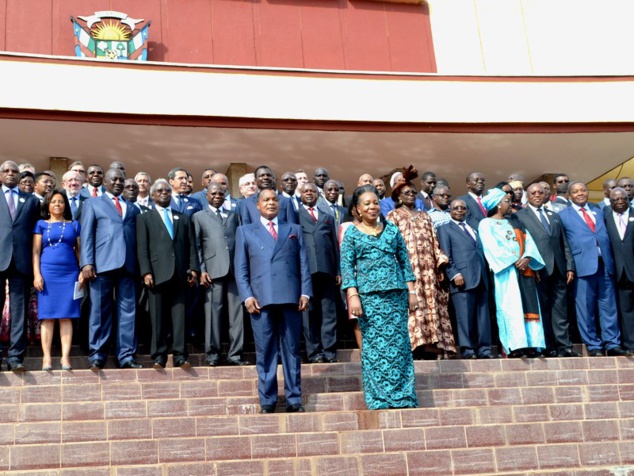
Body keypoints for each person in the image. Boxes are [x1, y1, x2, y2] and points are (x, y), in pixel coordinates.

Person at [341, 185, 418, 410]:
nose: (373, 207)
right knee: (375, 349)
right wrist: (353, 296)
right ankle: (379, 398)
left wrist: (412, 292)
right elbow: (346, 267)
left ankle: (403, 396)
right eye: (367, 204)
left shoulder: (392, 230)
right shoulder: (352, 234)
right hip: (369, 299)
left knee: (400, 346)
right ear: (357, 209)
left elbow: (405, 262)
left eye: (375, 202)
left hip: (396, 297)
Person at [235, 189, 312, 413]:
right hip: (261, 300)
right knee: (266, 351)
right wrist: (247, 295)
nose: (271, 203)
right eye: (266, 200)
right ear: (257, 206)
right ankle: (267, 400)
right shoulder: (245, 231)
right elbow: (241, 269)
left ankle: (293, 398)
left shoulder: (293, 229)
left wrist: (305, 292)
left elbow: (303, 264)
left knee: (291, 351)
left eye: (274, 200)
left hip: (290, 298)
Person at [386, 167, 455, 357]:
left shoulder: (425, 216)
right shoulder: (393, 216)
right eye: (406, 193)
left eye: (413, 193)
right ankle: (413, 344)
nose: (411, 195)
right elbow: (390, 244)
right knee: (412, 306)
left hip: (428, 270)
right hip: (407, 270)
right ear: (399, 196)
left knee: (431, 304)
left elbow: (434, 241)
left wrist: (439, 264)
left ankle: (432, 342)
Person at [558, 182, 629, 356]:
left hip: (605, 264)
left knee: (608, 306)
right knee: (585, 307)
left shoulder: (599, 210)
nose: (580, 193)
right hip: (582, 266)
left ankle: (612, 343)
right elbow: (564, 243)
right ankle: (593, 345)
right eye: (575, 191)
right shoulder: (563, 215)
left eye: (583, 190)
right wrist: (570, 267)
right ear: (569, 195)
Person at [80, 168, 142, 369]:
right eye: (113, 179)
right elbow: (87, 234)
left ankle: (126, 356)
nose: (118, 182)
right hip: (102, 264)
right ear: (104, 181)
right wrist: (86, 262)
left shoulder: (133, 208)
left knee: (128, 312)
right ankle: (97, 354)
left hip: (129, 265)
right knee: (99, 310)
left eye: (121, 180)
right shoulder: (92, 203)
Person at [136, 179, 199, 369]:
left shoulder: (183, 218)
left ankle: (180, 355)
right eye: (160, 190)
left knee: (179, 318)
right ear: (153, 195)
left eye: (167, 190)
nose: (164, 193)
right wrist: (146, 271)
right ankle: (159, 356)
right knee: (158, 317)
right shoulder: (144, 218)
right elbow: (142, 248)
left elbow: (191, 246)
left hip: (180, 275)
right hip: (157, 275)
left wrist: (194, 269)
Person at [478, 188, 546, 358]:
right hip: (507, 274)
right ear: (498, 205)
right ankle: (516, 346)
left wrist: (528, 257)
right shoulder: (486, 224)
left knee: (529, 307)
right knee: (511, 308)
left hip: (525, 271)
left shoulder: (514, 221)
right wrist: (515, 260)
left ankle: (533, 345)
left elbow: (528, 240)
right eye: (507, 201)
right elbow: (492, 248)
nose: (510, 204)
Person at [515, 183, 579, 357]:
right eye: (533, 193)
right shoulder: (520, 216)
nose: (537, 195)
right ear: (527, 196)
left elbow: (564, 243)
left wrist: (569, 266)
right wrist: (530, 264)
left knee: (561, 309)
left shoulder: (554, 216)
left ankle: (564, 346)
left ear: (545, 195)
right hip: (538, 269)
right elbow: (521, 243)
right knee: (543, 309)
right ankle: (548, 346)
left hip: (559, 269)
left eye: (540, 192)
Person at [193, 182, 249, 366]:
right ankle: (212, 355)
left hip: (233, 272)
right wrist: (202, 270)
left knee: (236, 315)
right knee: (213, 314)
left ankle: (235, 355)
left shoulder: (234, 216)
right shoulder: (199, 216)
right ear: (207, 195)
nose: (217, 196)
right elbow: (198, 246)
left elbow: (240, 243)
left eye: (221, 193)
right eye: (213, 193)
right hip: (212, 271)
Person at [32, 190, 83, 370]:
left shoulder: (74, 224)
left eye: (61, 202)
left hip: (69, 274)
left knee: (66, 316)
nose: (57, 205)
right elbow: (36, 252)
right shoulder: (41, 224)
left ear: (65, 205)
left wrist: (82, 271)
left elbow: (79, 250)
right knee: (47, 317)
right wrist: (37, 274)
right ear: (48, 205)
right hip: (47, 273)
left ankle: (65, 358)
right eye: (53, 201)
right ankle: (46, 358)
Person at [437, 199, 494, 359]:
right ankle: (468, 350)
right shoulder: (444, 229)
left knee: (483, 317)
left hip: (481, 276)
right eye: (456, 208)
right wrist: (454, 274)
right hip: (461, 278)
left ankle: (485, 350)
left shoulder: (473, 227)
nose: (459, 210)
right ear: (450, 210)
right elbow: (445, 254)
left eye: (463, 208)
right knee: (465, 317)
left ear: (467, 210)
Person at [0, 160, 41, 371]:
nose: (10, 174)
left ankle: (15, 357)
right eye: (6, 170)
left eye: (14, 171)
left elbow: (35, 234)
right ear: (0, 175)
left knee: (19, 311)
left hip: (21, 262)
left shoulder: (31, 200)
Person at [297, 183, 341, 363]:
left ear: (318, 194)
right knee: (309, 313)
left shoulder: (327, 217)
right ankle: (314, 352)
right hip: (306, 272)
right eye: (306, 191)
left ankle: (329, 350)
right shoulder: (294, 216)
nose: (309, 193)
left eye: (312, 191)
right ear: (301, 194)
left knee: (329, 312)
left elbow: (335, 247)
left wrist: (338, 270)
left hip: (327, 270)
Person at [605, 187, 634, 353]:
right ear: (610, 202)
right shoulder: (605, 217)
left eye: (624, 198)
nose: (621, 202)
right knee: (626, 310)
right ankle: (630, 344)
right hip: (618, 271)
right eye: (616, 200)